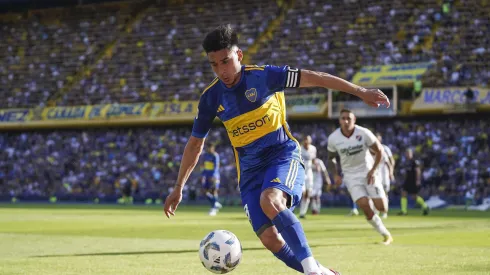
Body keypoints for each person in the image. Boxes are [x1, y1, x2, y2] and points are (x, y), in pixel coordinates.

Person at [163, 24, 389, 275]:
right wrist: (179, 186)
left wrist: (360, 91)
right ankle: (323, 273)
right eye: (214, 64)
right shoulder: (211, 98)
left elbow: (317, 78)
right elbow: (195, 143)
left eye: (225, 61)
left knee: (270, 200)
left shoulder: (266, 76)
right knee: (269, 238)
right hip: (249, 173)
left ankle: (312, 271)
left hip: (281, 155)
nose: (221, 71)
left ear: (239, 56)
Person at [327, 109, 393, 245]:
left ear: (354, 120)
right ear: (339, 120)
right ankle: (386, 234)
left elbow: (379, 151)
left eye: (348, 119)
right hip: (350, 176)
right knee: (364, 205)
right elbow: (331, 158)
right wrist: (335, 175)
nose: (346, 121)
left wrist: (373, 171)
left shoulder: (363, 133)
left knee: (382, 208)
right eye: (343, 118)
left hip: (368, 172)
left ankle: (376, 199)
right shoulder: (333, 138)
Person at [398, 148, 430, 216]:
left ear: (411, 154)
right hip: (407, 181)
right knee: (403, 193)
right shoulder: (406, 162)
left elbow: (418, 171)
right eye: (406, 153)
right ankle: (404, 211)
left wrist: (418, 180)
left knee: (414, 197)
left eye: (409, 153)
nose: (407, 155)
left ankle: (425, 206)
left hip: (413, 181)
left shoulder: (415, 161)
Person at [375, 132, 395, 219]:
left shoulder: (385, 149)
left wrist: (391, 173)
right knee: (376, 192)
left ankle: (384, 211)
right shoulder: (370, 149)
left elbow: (390, 162)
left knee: (384, 193)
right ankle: (377, 211)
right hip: (376, 174)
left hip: (384, 174)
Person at [201, 144, 222, 216]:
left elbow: (216, 167)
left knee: (214, 191)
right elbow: (204, 166)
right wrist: (203, 175)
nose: (209, 149)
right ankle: (215, 203)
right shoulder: (205, 155)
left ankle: (213, 208)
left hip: (214, 176)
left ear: (213, 148)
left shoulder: (215, 156)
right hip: (206, 176)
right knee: (205, 191)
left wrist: (213, 176)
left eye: (210, 148)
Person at [299, 135, 317, 219]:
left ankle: (302, 213)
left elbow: (313, 159)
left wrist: (316, 164)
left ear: (310, 141)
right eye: (305, 139)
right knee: (302, 193)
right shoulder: (299, 148)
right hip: (300, 172)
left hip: (309, 173)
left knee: (308, 194)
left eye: (308, 140)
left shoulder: (313, 149)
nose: (306, 141)